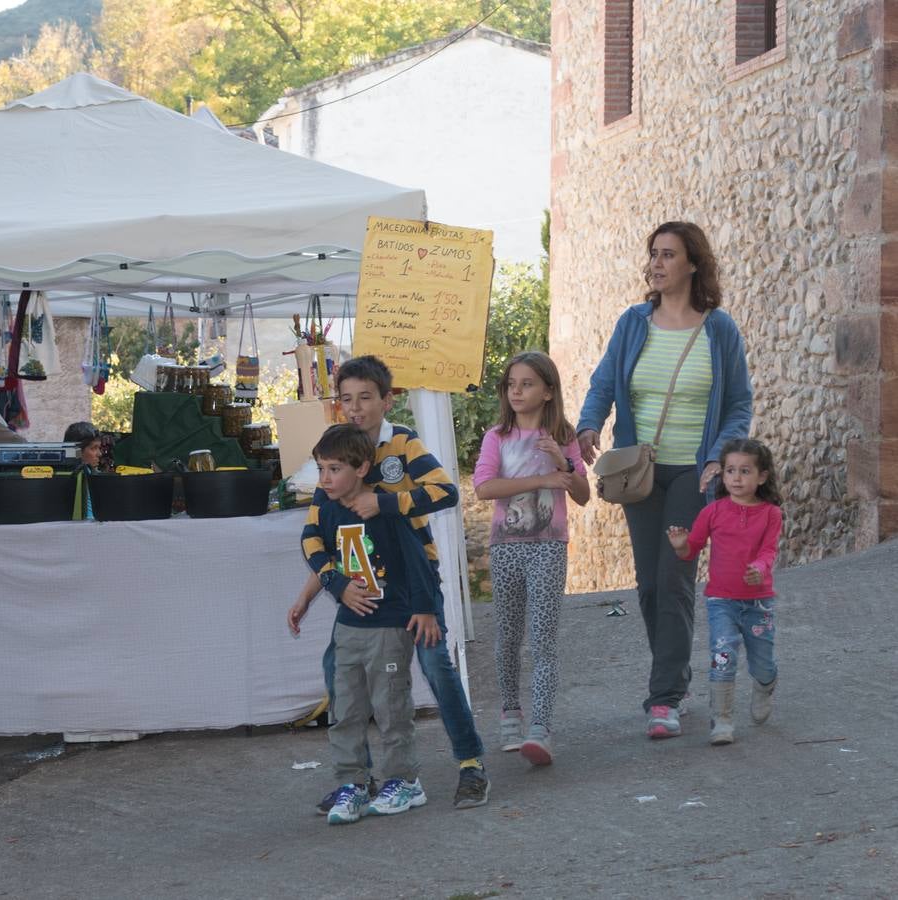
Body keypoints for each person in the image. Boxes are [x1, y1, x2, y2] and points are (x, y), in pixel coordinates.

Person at [576, 221, 753, 740]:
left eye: (668, 254)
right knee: (650, 585)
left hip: (694, 474)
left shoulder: (719, 330)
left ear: (693, 264)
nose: (656, 263)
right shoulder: (633, 323)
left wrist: (720, 456)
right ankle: (674, 674)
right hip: (639, 469)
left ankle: (664, 697)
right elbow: (605, 380)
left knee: (674, 580)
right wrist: (590, 425)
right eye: (653, 253)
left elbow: (739, 404)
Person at [296, 355, 490, 812]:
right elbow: (316, 533)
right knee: (337, 673)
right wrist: (322, 587)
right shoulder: (334, 451)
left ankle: (470, 764)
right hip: (360, 591)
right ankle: (358, 782)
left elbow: (446, 492)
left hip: (413, 582)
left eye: (366, 398)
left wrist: (385, 503)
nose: (356, 408)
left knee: (436, 665)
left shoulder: (401, 443)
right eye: (347, 399)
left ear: (387, 400)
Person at [289, 424, 441, 825]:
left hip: (390, 623)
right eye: (320, 468)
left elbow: (417, 561)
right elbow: (314, 547)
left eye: (334, 469)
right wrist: (322, 592)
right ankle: (353, 783)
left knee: (390, 706)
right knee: (346, 708)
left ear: (362, 468)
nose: (324, 479)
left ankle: (404, 781)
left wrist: (425, 609)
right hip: (348, 627)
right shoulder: (327, 508)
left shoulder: (385, 507)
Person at [472, 351, 589, 767]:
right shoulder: (497, 437)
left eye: (526, 384)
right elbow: (484, 488)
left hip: (549, 547)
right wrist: (543, 477)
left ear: (548, 391)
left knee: (543, 638)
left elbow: (581, 493)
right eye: (511, 384)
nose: (516, 391)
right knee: (507, 637)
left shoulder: (563, 434)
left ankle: (540, 727)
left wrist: (563, 460)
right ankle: (510, 713)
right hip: (505, 547)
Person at [666, 438, 782, 745]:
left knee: (763, 661)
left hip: (759, 602)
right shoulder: (713, 512)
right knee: (722, 655)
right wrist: (681, 546)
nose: (736, 477)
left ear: (762, 476)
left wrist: (760, 566)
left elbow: (770, 551)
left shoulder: (771, 514)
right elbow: (691, 551)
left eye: (745, 471)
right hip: (722, 600)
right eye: (730, 470)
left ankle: (766, 684)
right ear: (723, 475)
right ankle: (722, 721)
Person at [64, 421, 102, 520]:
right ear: (77, 451)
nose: (99, 454)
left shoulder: (92, 474)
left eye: (99, 448)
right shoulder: (67, 478)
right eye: (94, 448)